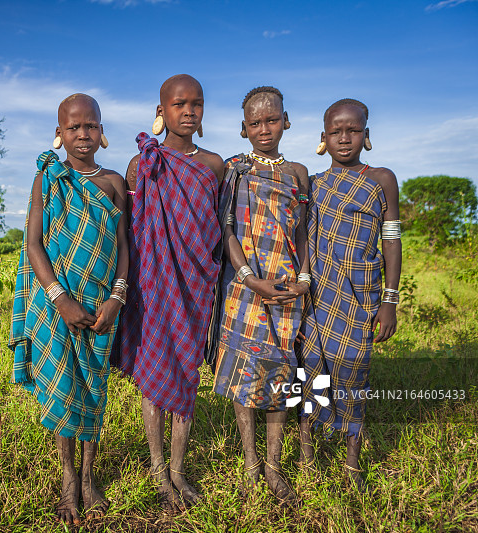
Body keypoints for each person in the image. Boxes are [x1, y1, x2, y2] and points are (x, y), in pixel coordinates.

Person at [9, 93, 129, 524]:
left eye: (91, 126)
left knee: (94, 390)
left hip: (99, 306)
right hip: (56, 302)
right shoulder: (48, 178)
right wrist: (60, 299)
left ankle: (90, 478)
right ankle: (66, 479)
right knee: (62, 385)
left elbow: (124, 247)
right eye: (73, 127)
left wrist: (117, 296)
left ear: (102, 131)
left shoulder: (114, 182)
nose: (83, 134)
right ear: (59, 134)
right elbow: (34, 243)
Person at [115, 74, 224, 512]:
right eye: (179, 104)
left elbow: (218, 229)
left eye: (196, 104)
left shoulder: (216, 165)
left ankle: (178, 470)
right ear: (162, 111)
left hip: (197, 282)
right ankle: (159, 472)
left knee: (187, 373)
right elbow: (128, 229)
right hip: (152, 282)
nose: (189, 111)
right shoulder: (141, 165)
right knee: (155, 371)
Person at [212, 86, 310, 506]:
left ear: (286, 121)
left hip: (288, 284)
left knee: (282, 373)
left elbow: (303, 230)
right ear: (243, 129)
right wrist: (251, 278)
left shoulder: (298, 173)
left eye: (272, 120)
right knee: (245, 374)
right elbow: (226, 227)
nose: (264, 129)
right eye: (255, 123)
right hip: (246, 285)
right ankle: (251, 462)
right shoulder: (233, 170)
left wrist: (304, 278)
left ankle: (273, 465)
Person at [298, 98, 401, 492]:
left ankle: (351, 462)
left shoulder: (381, 179)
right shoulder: (313, 184)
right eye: (336, 132)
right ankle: (307, 455)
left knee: (354, 373)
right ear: (323, 138)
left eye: (353, 131)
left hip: (362, 296)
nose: (345, 138)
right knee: (309, 372)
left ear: (366, 135)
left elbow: (391, 242)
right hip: (317, 295)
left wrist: (389, 301)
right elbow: (302, 238)